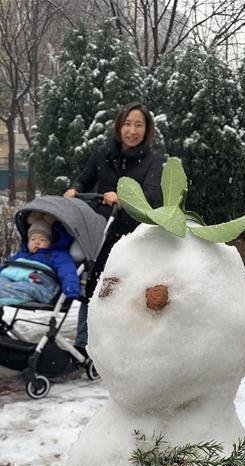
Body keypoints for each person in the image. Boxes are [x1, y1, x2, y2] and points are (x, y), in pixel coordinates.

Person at [63, 102, 166, 354]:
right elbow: (85, 179)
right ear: (119, 126)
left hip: (133, 237)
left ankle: (123, 345)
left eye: (138, 125)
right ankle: (84, 342)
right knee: (94, 286)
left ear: (147, 129)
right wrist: (74, 190)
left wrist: (124, 198)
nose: (132, 130)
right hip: (100, 231)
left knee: (124, 291)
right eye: (127, 124)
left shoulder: (154, 161)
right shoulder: (103, 155)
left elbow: (153, 196)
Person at [0, 212, 80, 305]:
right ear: (28, 241)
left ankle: (0, 291)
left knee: (25, 288)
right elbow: (5, 266)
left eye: (43, 239)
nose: (37, 242)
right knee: (0, 281)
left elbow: (67, 271)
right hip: (15, 281)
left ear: (51, 242)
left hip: (41, 285)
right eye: (33, 239)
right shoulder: (22, 254)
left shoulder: (57, 254)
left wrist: (71, 289)